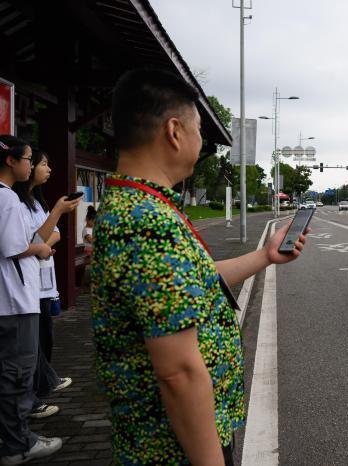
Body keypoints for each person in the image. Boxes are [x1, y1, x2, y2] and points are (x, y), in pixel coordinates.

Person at [90, 68, 308, 465]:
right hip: (174, 448)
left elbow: (197, 283)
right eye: (198, 130)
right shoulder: (147, 223)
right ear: (174, 131)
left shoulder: (143, 208)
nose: (201, 140)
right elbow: (179, 373)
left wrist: (265, 255)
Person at [0, 135, 63, 464]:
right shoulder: (7, 199)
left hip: (10, 299)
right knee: (17, 374)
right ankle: (17, 444)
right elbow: (16, 246)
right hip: (13, 300)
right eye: (28, 158)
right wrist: (39, 248)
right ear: (11, 161)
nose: (31, 164)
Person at [12, 147, 79, 417]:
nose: (47, 169)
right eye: (41, 163)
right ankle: (35, 395)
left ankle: (43, 384)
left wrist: (41, 245)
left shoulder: (36, 201)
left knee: (43, 340)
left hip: (41, 280)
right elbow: (30, 243)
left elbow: (53, 235)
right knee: (31, 347)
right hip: (26, 285)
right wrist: (40, 245)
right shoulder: (13, 202)